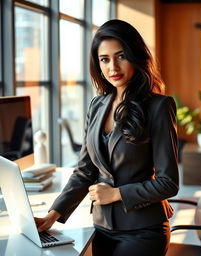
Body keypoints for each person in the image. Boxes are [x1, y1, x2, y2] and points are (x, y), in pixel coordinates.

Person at [35, 19, 179, 256]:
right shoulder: (97, 105)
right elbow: (85, 171)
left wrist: (117, 194)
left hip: (143, 231)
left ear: (135, 56)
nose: (113, 67)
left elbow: (168, 183)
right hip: (101, 227)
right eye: (105, 59)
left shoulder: (159, 106)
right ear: (98, 64)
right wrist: (53, 215)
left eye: (121, 56)